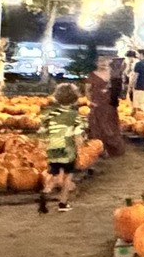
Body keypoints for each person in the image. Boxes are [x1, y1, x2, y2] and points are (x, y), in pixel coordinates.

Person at [37, 83, 84, 214]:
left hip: (53, 147)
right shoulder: (74, 115)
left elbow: (42, 131)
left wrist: (42, 144)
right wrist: (80, 147)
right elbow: (77, 136)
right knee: (68, 177)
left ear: (56, 98)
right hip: (68, 149)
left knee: (53, 173)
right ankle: (62, 203)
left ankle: (45, 192)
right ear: (75, 98)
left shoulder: (49, 115)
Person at [85, 56, 125, 156]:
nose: (103, 63)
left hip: (110, 103)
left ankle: (112, 148)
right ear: (96, 63)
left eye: (105, 61)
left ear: (109, 62)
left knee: (110, 124)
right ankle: (101, 148)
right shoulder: (92, 75)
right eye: (101, 61)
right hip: (98, 103)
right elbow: (87, 90)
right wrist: (91, 101)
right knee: (98, 126)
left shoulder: (113, 74)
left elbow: (119, 89)